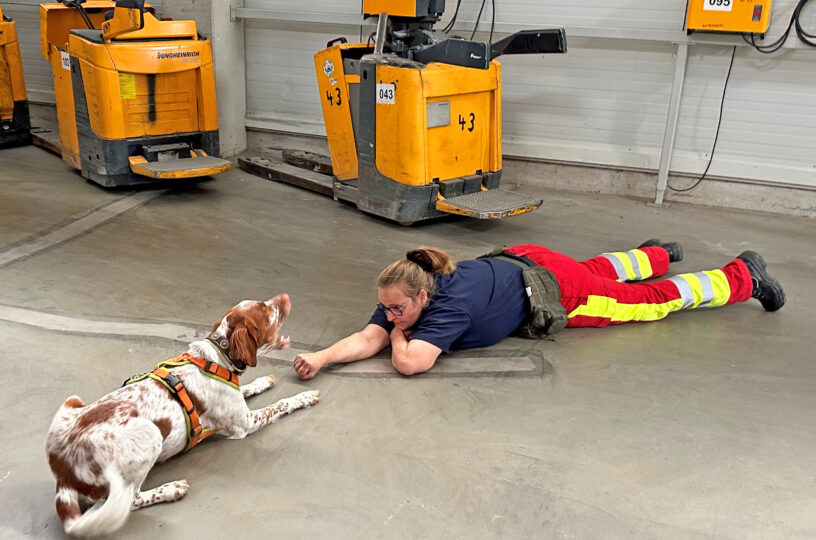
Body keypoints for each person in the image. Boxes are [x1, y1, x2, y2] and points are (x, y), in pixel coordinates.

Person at [293, 240, 785, 378]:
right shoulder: (412, 282)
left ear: (422, 298)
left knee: (641, 304)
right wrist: (320, 358)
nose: (387, 316)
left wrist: (396, 333)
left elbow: (408, 362)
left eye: (396, 310)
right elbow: (367, 337)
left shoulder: (445, 313)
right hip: (525, 257)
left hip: (551, 289)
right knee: (596, 271)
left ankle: (743, 277)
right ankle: (655, 254)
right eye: (386, 309)